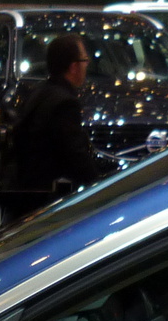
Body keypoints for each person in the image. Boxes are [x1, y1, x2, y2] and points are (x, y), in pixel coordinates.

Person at [8, 33, 112, 214]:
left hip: (25, 189)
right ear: (73, 67)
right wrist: (99, 188)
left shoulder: (40, 92)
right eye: (85, 60)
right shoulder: (65, 103)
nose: (87, 65)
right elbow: (75, 154)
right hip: (47, 197)